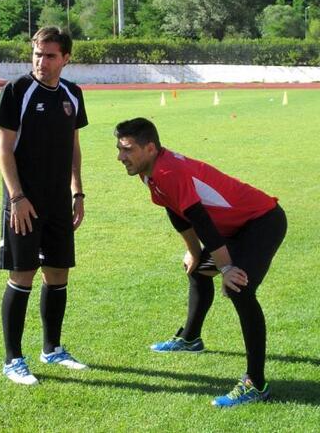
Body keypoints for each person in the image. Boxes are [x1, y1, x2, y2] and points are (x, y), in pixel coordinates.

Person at [115, 117, 287, 407]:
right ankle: (191, 339)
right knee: (198, 270)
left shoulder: (168, 171)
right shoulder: (150, 171)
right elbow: (175, 210)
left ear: (150, 148)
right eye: (119, 149)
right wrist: (194, 253)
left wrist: (227, 268)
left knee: (239, 289)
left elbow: (201, 220)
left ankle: (256, 384)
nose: (121, 157)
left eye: (127, 149)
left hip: (262, 222)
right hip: (235, 229)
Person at [0, 26, 88, 385]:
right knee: (23, 274)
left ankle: (53, 349)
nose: (41, 62)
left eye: (50, 56)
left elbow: (73, 146)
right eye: (37, 54)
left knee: (59, 273)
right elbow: (3, 147)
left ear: (66, 58)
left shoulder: (73, 94)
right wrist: (17, 197)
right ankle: (13, 360)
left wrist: (77, 192)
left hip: (59, 201)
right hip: (24, 202)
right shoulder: (17, 90)